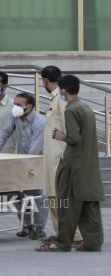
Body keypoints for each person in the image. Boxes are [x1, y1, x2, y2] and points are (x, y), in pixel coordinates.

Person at [37, 75, 104, 252]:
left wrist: (61, 136)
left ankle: (62, 242)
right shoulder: (86, 107)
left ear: (64, 90)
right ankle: (93, 242)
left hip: (74, 165)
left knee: (66, 206)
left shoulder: (71, 110)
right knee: (90, 206)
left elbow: (74, 139)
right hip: (89, 164)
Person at [0, 92, 47, 239]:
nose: (15, 107)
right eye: (14, 104)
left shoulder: (40, 122)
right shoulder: (15, 116)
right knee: (14, 194)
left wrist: (25, 167)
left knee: (35, 196)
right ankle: (26, 225)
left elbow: (34, 149)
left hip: (36, 161)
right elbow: (5, 132)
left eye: (19, 105)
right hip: (21, 159)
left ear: (29, 107)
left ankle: (39, 227)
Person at [40, 66, 83, 245]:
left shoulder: (61, 98)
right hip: (53, 156)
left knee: (60, 197)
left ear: (44, 80)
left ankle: (74, 235)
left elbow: (70, 127)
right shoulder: (55, 98)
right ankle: (61, 232)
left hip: (60, 156)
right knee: (53, 196)